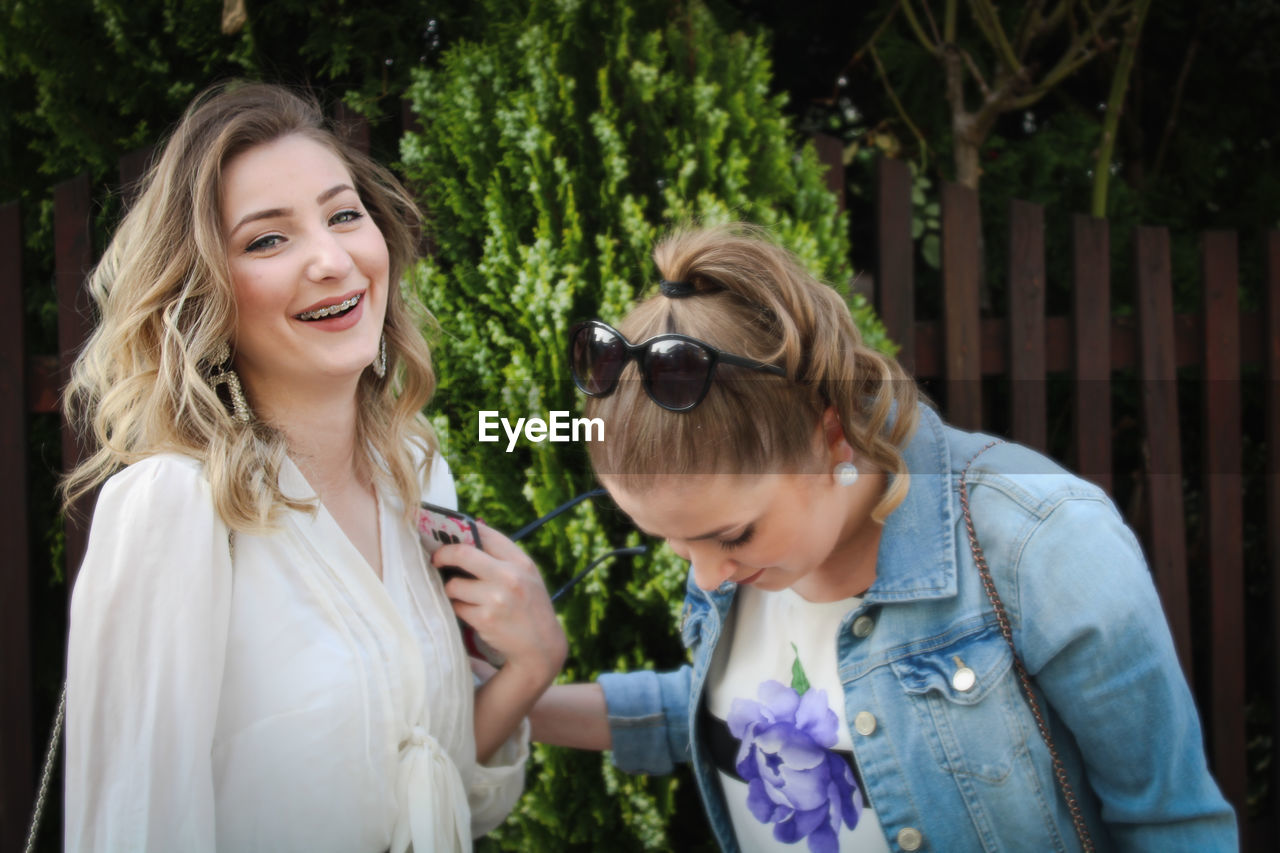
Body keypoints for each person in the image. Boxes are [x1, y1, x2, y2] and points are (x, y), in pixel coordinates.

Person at [530, 224, 1237, 851]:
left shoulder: (1042, 541)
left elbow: (1173, 823)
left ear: (829, 430)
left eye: (732, 536)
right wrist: (509, 708)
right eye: (677, 547)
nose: (708, 576)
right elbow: (733, 707)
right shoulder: (751, 561)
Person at [61, 81, 566, 853]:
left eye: (342, 215)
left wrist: (532, 665)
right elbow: (134, 829)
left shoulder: (419, 479)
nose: (332, 260)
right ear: (206, 295)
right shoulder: (174, 509)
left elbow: (439, 790)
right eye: (268, 240)